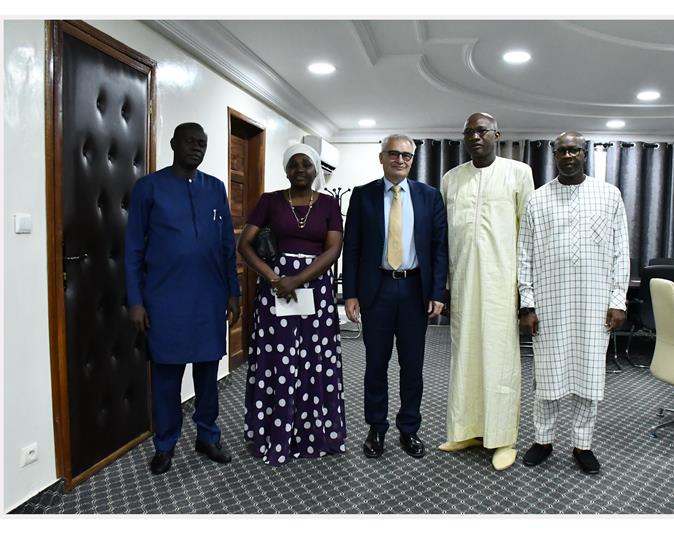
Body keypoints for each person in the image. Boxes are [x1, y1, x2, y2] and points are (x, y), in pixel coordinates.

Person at [125, 122, 240, 475]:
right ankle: (165, 444)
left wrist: (233, 292)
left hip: (208, 298)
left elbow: (226, 246)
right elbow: (132, 249)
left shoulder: (215, 188)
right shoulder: (149, 188)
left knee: (208, 373)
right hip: (163, 299)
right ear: (174, 144)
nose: (196, 147)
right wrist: (135, 301)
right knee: (166, 377)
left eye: (202, 143)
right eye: (190, 141)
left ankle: (207, 436)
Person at [518, 131, 629, 475]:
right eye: (562, 150)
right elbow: (524, 255)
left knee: (589, 378)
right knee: (547, 378)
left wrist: (617, 300)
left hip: (594, 305)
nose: (568, 155)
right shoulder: (536, 199)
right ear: (553, 154)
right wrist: (527, 304)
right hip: (550, 305)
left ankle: (583, 444)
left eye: (574, 150)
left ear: (585, 154)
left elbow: (621, 252)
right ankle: (543, 440)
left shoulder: (609, 196)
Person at [237, 143, 346, 466]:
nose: (300, 170)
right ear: (286, 170)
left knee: (315, 360)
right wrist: (274, 278)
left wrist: (296, 281)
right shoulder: (269, 201)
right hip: (275, 293)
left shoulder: (328, 204)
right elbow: (245, 244)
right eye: (294, 165)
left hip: (314, 291)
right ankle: (273, 433)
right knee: (278, 359)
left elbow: (333, 249)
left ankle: (314, 433)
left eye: (307, 165)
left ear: (316, 170)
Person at [437, 112, 535, 471]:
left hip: (501, 285)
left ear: (497, 134)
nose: (475, 136)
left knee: (500, 362)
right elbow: (444, 239)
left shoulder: (519, 173)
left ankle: (503, 437)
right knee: (464, 358)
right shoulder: (451, 179)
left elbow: (528, 237)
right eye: (469, 132)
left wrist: (526, 294)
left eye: (483, 131)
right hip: (462, 283)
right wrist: (444, 287)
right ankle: (467, 430)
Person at [343, 134, 448, 459]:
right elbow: (353, 247)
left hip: (415, 289)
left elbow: (439, 248)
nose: (400, 160)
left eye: (406, 155)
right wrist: (350, 293)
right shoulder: (363, 196)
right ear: (382, 157)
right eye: (393, 154)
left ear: (412, 160)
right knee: (375, 364)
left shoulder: (429, 196)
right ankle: (376, 428)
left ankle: (409, 429)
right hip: (377, 290)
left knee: (412, 366)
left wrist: (437, 292)